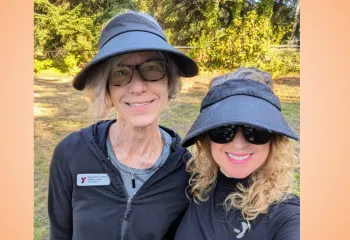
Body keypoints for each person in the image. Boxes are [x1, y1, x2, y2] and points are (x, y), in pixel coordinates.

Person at [48, 11, 198, 240]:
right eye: (120, 73)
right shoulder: (71, 154)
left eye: (152, 69)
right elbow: (59, 234)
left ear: (170, 82)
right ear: (106, 88)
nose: (137, 87)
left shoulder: (186, 171)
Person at [175, 68, 300, 240]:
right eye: (223, 130)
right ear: (207, 138)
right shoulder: (191, 186)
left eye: (255, 131)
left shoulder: (286, 214)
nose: (238, 144)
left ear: (274, 140)